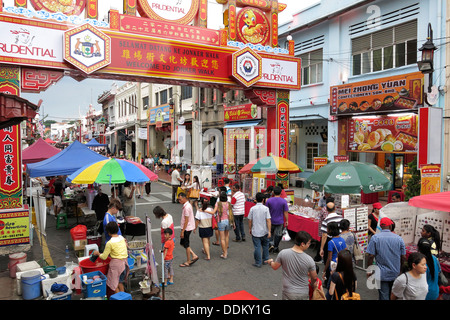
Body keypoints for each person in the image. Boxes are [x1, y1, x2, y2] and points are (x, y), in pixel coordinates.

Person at [266, 231, 318, 300]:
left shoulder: (283, 253)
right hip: (303, 292)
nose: (309, 245)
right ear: (302, 244)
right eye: (308, 243)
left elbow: (275, 267)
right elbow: (314, 277)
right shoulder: (309, 260)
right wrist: (312, 284)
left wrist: (270, 262)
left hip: (288, 291)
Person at [366, 217, 406, 300]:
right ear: (390, 226)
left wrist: (369, 270)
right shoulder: (399, 239)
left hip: (381, 273)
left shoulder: (375, 238)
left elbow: (370, 256)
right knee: (394, 294)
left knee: (383, 295)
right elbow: (403, 257)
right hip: (396, 272)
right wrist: (401, 271)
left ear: (380, 227)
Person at [92, 221, 129, 295]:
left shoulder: (110, 243)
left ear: (108, 232)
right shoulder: (121, 238)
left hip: (116, 266)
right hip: (124, 264)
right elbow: (126, 246)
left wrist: (98, 253)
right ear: (117, 229)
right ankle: (124, 297)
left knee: (113, 284)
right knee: (120, 282)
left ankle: (119, 298)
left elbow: (104, 257)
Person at [319, 202, 343, 284]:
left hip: (330, 240)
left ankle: (328, 280)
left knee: (328, 259)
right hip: (340, 239)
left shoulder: (326, 220)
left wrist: (321, 248)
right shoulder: (341, 218)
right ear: (335, 208)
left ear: (326, 209)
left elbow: (324, 235)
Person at [248, 192, 271, 268]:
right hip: (264, 231)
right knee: (265, 246)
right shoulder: (266, 209)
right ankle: (265, 259)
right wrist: (269, 231)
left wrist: (250, 228)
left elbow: (250, 220)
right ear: (263, 200)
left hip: (255, 231)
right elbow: (268, 220)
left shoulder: (252, 209)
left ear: (256, 199)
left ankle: (258, 262)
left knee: (257, 247)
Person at [211, 191, 235, 259]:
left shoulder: (218, 204)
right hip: (228, 221)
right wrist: (233, 223)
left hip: (221, 221)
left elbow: (213, 212)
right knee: (227, 236)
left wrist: (205, 210)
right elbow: (231, 214)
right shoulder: (229, 204)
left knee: (222, 239)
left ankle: (224, 253)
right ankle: (226, 250)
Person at [323, 222, 346, 290]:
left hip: (333, 265)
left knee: (330, 285)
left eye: (327, 229)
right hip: (341, 263)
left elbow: (329, 258)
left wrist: (324, 270)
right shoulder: (342, 239)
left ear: (330, 230)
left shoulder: (331, 242)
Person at [265, 186, 289, 254]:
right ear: (281, 192)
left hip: (270, 220)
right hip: (280, 221)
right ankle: (276, 247)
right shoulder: (284, 201)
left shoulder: (269, 200)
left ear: (273, 192)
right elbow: (285, 212)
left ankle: (270, 244)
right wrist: (287, 220)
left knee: (270, 233)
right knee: (278, 235)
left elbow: (266, 211)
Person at [178, 192, 199, 267]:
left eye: (180, 200)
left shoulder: (186, 207)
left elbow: (186, 220)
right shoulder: (187, 205)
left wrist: (182, 231)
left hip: (187, 228)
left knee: (186, 244)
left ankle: (188, 261)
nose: (179, 201)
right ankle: (193, 255)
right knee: (183, 243)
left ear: (184, 198)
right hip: (188, 227)